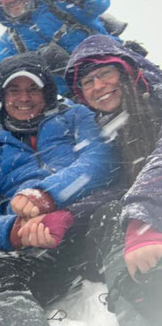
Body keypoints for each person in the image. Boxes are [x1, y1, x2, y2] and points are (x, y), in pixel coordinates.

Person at [0, 52, 114, 325]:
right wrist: (15, 231)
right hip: (36, 245)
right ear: (1, 96)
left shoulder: (75, 116)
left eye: (33, 88)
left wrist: (46, 195)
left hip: (87, 223)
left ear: (47, 92)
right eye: (14, 90)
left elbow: (98, 161)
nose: (24, 98)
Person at [65, 34, 162, 325]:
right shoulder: (113, 125)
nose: (98, 87)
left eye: (104, 73)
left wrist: (142, 218)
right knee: (108, 215)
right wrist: (68, 215)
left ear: (125, 70)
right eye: (87, 82)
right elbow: (121, 186)